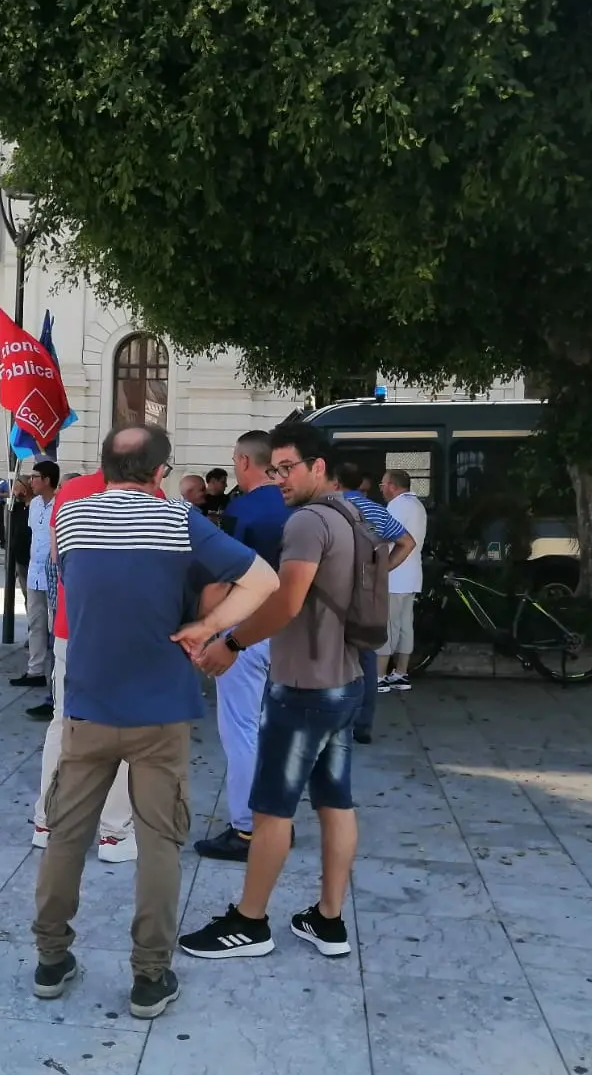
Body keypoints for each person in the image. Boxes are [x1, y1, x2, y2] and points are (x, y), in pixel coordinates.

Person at [32, 423, 277, 1020]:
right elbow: (263, 581)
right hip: (162, 710)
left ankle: (50, 960)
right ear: (160, 472)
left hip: (87, 707)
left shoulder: (70, 520)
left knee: (65, 836)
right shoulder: (178, 520)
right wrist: (205, 628)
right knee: (159, 842)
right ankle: (149, 976)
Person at [176, 423, 378, 963]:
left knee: (270, 811)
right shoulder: (357, 512)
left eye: (289, 468)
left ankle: (249, 921)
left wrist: (231, 643)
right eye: (275, 468)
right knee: (336, 803)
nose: (279, 478)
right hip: (345, 680)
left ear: (318, 467)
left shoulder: (310, 521)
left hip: (304, 686)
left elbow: (287, 601)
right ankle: (328, 919)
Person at [29, 464, 137, 861]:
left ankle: (48, 822)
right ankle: (113, 833)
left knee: (64, 722)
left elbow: (58, 559)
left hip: (71, 628)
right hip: (123, 632)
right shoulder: (149, 497)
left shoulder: (71, 493)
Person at [195, 430, 294, 862]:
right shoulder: (300, 506)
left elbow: (224, 577)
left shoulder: (243, 511)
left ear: (242, 461)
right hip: (293, 631)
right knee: (278, 733)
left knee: (240, 731)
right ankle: (277, 823)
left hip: (248, 633)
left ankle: (248, 829)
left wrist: (205, 628)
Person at [334, 463, 416, 745]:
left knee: (331, 656)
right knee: (367, 658)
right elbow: (407, 542)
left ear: (335, 481)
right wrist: (382, 571)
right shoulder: (377, 511)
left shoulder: (328, 508)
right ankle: (363, 724)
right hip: (367, 594)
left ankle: (334, 721)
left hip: (333, 594)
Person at [376, 468, 428, 694]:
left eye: (383, 484)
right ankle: (401, 673)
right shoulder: (418, 506)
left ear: (392, 486)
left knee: (388, 626)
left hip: (395, 575)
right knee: (406, 625)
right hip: (413, 576)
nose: (381, 488)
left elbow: (386, 537)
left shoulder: (397, 506)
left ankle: (380, 676)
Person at [11, 461, 59, 689]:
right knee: (35, 621)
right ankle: (35, 669)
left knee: (57, 623)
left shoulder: (60, 504)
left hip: (54, 571)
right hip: (35, 571)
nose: (31, 481)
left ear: (47, 479)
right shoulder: (35, 505)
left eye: (35, 477)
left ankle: (57, 670)